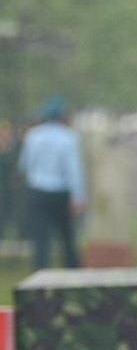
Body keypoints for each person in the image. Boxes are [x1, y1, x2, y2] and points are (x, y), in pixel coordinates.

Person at [19, 96, 85, 270]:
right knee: (67, 239)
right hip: (60, 193)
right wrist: (78, 197)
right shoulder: (69, 137)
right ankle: (74, 274)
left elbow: (25, 164)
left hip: (37, 191)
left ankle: (40, 278)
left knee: (41, 240)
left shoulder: (33, 135)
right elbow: (73, 170)